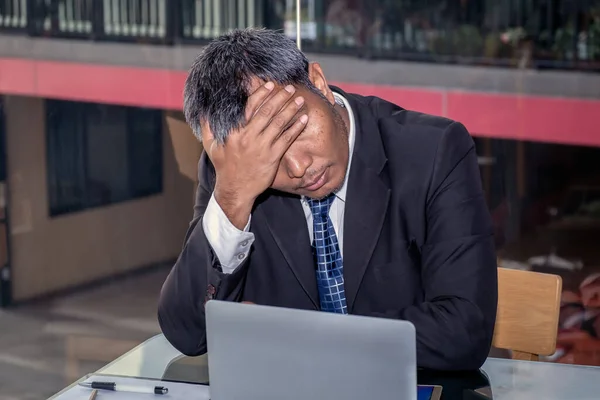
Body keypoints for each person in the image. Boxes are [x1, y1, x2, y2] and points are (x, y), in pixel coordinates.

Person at [158, 28, 498, 371]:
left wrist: (293, 334)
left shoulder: (433, 151)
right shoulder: (235, 172)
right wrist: (232, 199)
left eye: (296, 129)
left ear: (318, 82)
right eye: (270, 157)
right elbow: (188, 334)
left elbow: (465, 330)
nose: (299, 167)